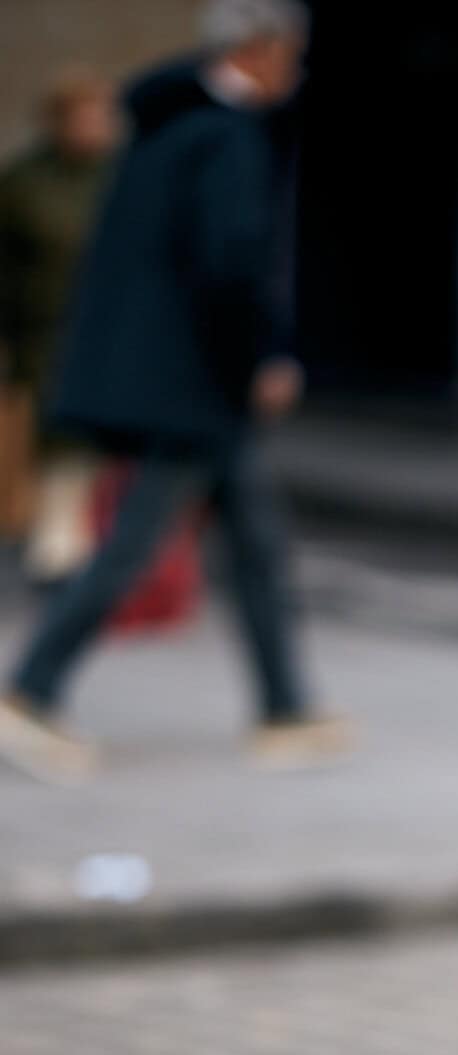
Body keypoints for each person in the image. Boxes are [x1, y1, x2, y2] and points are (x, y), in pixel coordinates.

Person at [0, 0, 350, 784]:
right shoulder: (226, 136)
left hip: (172, 379)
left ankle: (284, 709)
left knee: (255, 543)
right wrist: (260, 358)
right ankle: (28, 692)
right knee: (131, 544)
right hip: (192, 386)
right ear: (258, 50)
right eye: (290, 52)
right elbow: (229, 267)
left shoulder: (166, 126)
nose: (295, 71)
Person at [0, 69, 118, 586]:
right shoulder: (23, 183)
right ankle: (56, 554)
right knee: (50, 441)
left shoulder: (120, 177)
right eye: (83, 118)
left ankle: (76, 552)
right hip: (39, 331)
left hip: (109, 334)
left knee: (96, 447)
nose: (93, 129)